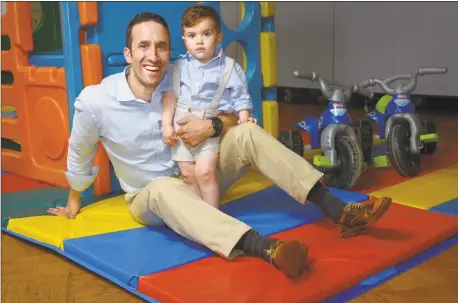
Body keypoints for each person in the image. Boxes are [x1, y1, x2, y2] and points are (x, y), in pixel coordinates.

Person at [47, 11, 392, 279]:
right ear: (127, 53)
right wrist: (74, 199)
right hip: (150, 197)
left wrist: (212, 125)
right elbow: (80, 149)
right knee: (165, 187)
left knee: (245, 132)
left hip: (202, 171)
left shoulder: (181, 75)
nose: (153, 56)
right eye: (143, 46)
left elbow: (228, 117)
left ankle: (339, 211)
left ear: (171, 50)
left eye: (161, 46)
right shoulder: (97, 100)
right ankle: (267, 248)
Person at [161, 6, 256, 209]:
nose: (199, 40)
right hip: (180, 128)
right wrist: (166, 126)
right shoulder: (178, 67)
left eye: (206, 33)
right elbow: (169, 96)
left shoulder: (229, 67)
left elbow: (241, 98)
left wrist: (244, 117)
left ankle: (213, 214)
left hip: (208, 127)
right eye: (192, 35)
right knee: (188, 175)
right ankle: (198, 215)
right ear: (184, 39)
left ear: (218, 37)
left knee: (205, 173)